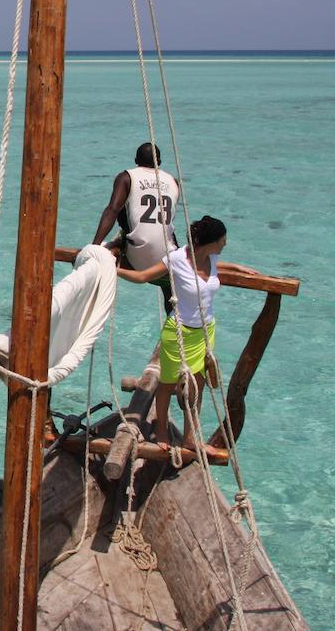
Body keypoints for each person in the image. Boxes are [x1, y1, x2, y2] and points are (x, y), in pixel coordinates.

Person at [117, 215, 256, 452]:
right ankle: (161, 431)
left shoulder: (211, 258)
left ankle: (191, 437)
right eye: (222, 240)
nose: (225, 244)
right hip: (178, 333)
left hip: (206, 332)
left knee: (197, 387)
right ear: (211, 241)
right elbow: (142, 277)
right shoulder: (177, 259)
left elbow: (214, 267)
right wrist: (113, 269)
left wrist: (237, 267)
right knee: (167, 384)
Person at [93, 142, 180, 305]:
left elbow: (112, 210)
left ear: (135, 160)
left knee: (122, 206)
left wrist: (94, 246)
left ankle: (118, 246)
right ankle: (174, 317)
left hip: (136, 257)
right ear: (159, 162)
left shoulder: (127, 177)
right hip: (165, 258)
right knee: (172, 293)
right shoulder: (173, 182)